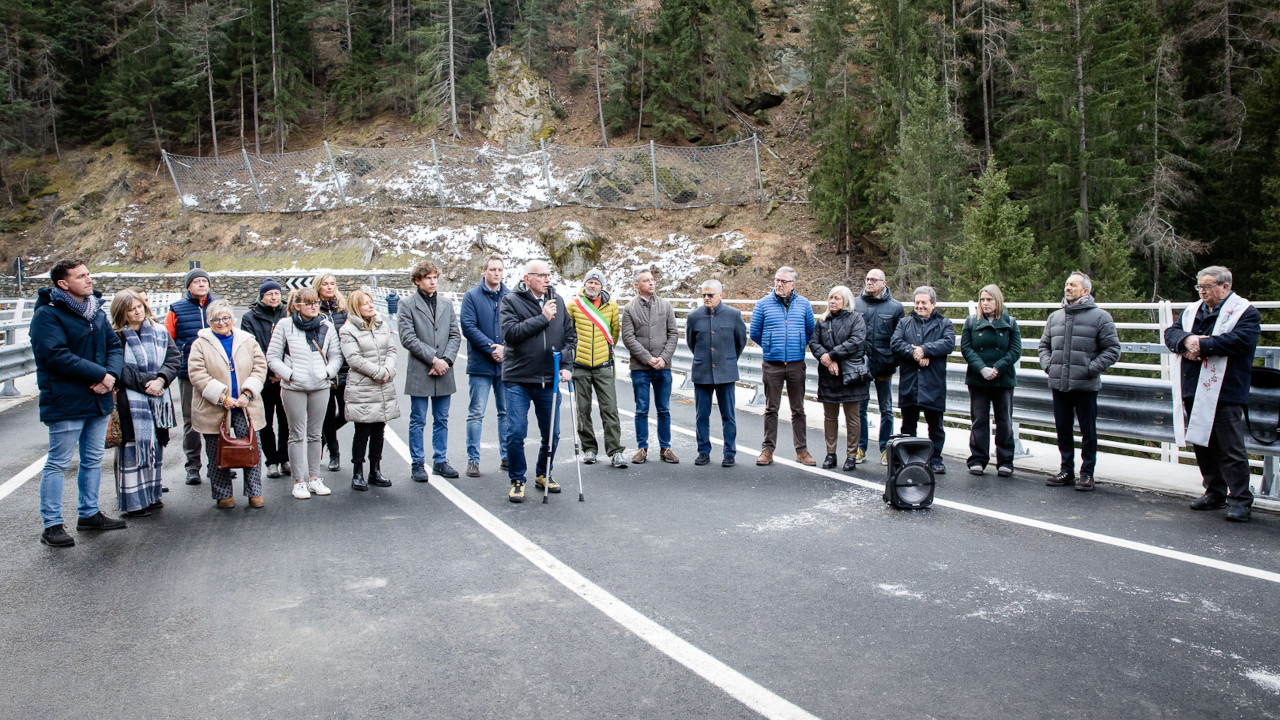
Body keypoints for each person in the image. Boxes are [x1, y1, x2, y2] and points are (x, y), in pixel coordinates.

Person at [31, 258, 126, 547]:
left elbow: (113, 345)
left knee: (93, 459)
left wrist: (110, 375)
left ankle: (88, 513)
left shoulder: (95, 311)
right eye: (81, 276)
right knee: (58, 462)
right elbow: (54, 355)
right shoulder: (47, 315)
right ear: (63, 283)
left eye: (89, 274)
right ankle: (52, 525)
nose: (89, 280)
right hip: (66, 400)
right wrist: (101, 374)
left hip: (97, 398)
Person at [1164, 266, 1261, 522]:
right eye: (1200, 287)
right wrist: (1187, 341)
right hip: (1193, 385)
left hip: (1226, 389)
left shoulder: (1245, 312)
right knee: (1203, 443)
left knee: (1230, 447)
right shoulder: (1192, 310)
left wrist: (1202, 345)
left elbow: (1240, 341)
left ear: (1225, 286)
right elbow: (1171, 333)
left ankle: (1240, 499)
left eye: (1207, 286)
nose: (1203, 292)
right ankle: (1214, 491)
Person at [499, 259, 576, 502]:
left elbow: (570, 337)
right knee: (516, 433)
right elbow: (511, 334)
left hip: (548, 378)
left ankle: (544, 473)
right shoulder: (510, 301)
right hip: (518, 379)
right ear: (527, 279)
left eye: (548, 275)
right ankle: (517, 479)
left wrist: (566, 366)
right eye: (541, 276)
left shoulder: (558, 301)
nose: (547, 280)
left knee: (552, 433)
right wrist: (542, 317)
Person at [1038, 271, 1120, 491]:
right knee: (1063, 429)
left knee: (1088, 431)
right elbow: (1043, 346)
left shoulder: (1101, 317)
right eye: (1066, 284)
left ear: (1086, 291)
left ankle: (1087, 473)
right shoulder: (1055, 317)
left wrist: (1089, 370)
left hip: (1085, 385)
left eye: (1073, 285)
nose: (1068, 288)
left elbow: (1112, 350)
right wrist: (1049, 366)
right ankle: (1066, 470)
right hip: (1059, 383)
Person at [186, 300, 268, 509]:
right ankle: (223, 494)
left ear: (233, 319)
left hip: (244, 404)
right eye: (216, 319)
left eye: (225, 318)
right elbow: (197, 373)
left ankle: (254, 492)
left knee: (251, 447)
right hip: (216, 405)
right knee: (217, 451)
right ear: (209, 321)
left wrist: (247, 393)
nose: (222, 323)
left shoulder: (247, 340)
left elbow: (260, 367)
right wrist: (222, 397)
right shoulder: (200, 343)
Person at [110, 289, 179, 517]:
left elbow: (173, 358)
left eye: (139, 306)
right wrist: (147, 383)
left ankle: (152, 495)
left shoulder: (159, 331)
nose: (138, 312)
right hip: (129, 402)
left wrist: (161, 380)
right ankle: (133, 504)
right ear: (122, 313)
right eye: (131, 309)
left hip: (157, 400)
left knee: (154, 448)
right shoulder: (116, 336)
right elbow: (118, 367)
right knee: (132, 451)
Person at [268, 287, 342, 499]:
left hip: (320, 385)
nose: (313, 307)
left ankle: (314, 477)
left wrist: (327, 373)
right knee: (296, 433)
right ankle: (299, 480)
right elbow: (272, 356)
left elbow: (336, 354)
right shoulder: (285, 325)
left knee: (315, 433)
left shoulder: (326, 326)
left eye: (315, 303)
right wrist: (289, 375)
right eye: (308, 303)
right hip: (294, 387)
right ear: (297, 306)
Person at [399, 260, 462, 480]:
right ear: (417, 280)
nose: (433, 281)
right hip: (421, 369)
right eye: (427, 278)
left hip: (444, 369)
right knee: (418, 419)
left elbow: (455, 335)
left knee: (442, 419)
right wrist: (433, 359)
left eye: (435, 277)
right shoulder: (407, 304)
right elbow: (407, 338)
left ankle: (440, 460)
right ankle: (417, 463)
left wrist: (445, 360)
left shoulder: (446, 303)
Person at [749, 266, 816, 466]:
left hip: (796, 364)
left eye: (783, 281)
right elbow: (754, 332)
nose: (779, 284)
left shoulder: (804, 304)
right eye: (777, 280)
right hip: (772, 364)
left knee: (798, 409)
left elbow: (811, 331)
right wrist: (771, 346)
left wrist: (796, 346)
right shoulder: (763, 304)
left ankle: (802, 451)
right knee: (771, 409)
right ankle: (767, 450)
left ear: (793, 285)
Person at [891, 286, 956, 475]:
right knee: (908, 423)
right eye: (917, 302)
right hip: (910, 380)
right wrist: (915, 353)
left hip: (933, 381)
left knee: (935, 425)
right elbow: (895, 343)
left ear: (933, 304)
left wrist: (925, 349)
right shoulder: (905, 323)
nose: (919, 306)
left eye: (924, 303)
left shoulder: (945, 323)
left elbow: (948, 343)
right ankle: (907, 458)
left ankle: (935, 459)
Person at [567, 267, 627, 468]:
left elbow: (614, 334)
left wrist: (603, 353)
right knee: (582, 410)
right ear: (585, 284)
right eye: (590, 282)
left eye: (596, 283)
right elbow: (568, 333)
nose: (592, 285)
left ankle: (615, 451)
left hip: (603, 366)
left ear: (602, 286)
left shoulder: (611, 307)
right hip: (580, 366)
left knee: (609, 409)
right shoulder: (574, 306)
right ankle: (589, 449)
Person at [341, 289, 400, 491]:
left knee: (378, 430)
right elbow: (354, 359)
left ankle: (375, 470)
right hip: (363, 386)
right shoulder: (348, 330)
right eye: (365, 303)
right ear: (356, 306)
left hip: (383, 384)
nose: (370, 305)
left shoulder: (381, 325)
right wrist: (377, 372)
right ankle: (358, 471)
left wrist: (388, 370)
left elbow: (391, 349)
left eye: (371, 302)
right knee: (362, 430)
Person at [960, 284, 1022, 477]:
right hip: (978, 379)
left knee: (1004, 420)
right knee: (979, 420)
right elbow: (966, 348)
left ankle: (1005, 460)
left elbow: (1015, 350)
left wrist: (997, 368)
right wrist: (982, 368)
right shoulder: (971, 322)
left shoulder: (1010, 323)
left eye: (989, 299)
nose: (985, 303)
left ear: (998, 301)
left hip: (1003, 379)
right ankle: (978, 458)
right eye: (982, 300)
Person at [620, 268, 679, 465]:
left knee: (664, 409)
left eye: (652, 280)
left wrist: (663, 358)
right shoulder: (629, 309)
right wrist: (647, 358)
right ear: (637, 285)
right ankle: (642, 448)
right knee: (641, 409)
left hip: (663, 367)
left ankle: (666, 447)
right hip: (640, 368)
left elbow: (673, 334)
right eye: (646, 281)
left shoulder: (666, 306)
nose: (651, 283)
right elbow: (628, 337)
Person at [165, 267, 217, 485]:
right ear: (188, 286)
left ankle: (219, 464)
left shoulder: (217, 307)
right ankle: (193, 466)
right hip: (188, 373)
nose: (201, 284)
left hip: (217, 372)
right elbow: (168, 340)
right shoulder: (176, 309)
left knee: (218, 419)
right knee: (192, 420)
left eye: (204, 281)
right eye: (196, 281)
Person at [686, 279, 747, 467]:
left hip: (726, 372)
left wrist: (728, 359)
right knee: (701, 415)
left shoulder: (733, 315)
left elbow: (740, 341)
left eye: (710, 295)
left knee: (728, 414)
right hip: (702, 371)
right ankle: (703, 451)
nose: (706, 298)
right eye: (703, 295)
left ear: (720, 295)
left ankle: (729, 452)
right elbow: (691, 342)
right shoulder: (694, 316)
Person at [459, 254, 510, 477]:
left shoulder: (511, 296)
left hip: (506, 365)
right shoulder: (471, 296)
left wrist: (505, 349)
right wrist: (492, 348)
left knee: (506, 412)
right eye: (492, 270)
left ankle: (507, 456)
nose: (496, 273)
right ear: (484, 271)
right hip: (481, 364)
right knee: (476, 413)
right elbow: (468, 327)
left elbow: (518, 326)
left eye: (500, 269)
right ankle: (473, 460)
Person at [809, 285, 867, 471]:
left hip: (850, 374)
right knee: (830, 416)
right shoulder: (823, 320)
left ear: (846, 301)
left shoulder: (856, 319)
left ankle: (851, 455)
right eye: (831, 298)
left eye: (837, 298)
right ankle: (830, 453)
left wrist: (832, 355)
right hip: (829, 375)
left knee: (852, 417)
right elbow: (814, 342)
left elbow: (856, 341)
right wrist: (826, 360)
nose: (832, 301)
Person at [240, 278, 290, 478]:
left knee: (286, 420)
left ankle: (285, 457)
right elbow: (251, 347)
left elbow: (292, 344)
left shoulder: (288, 313)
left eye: (277, 293)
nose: (274, 297)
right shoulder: (250, 317)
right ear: (262, 296)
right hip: (264, 378)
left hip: (286, 376)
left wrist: (283, 370)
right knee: (265, 421)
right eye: (270, 294)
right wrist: (270, 372)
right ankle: (272, 461)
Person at [855, 268, 904, 466]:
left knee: (886, 409)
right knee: (860, 408)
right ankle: (860, 447)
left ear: (884, 283)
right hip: (860, 365)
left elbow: (900, 337)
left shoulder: (895, 307)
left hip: (884, 364)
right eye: (867, 279)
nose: (869, 282)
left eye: (874, 280)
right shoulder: (856, 304)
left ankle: (886, 449)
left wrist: (893, 361)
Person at [314, 272, 349, 471]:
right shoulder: (314, 309)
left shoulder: (342, 309)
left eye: (332, 284)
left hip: (344, 368)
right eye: (325, 284)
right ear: (318, 286)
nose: (329, 287)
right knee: (326, 414)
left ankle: (321, 439)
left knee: (346, 412)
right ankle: (334, 454)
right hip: (323, 368)